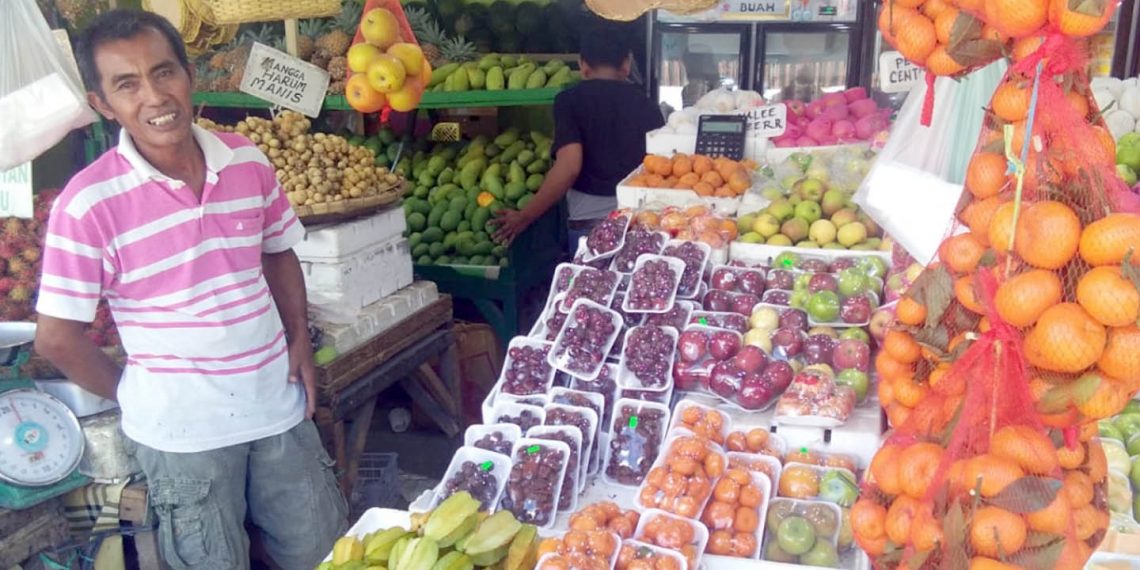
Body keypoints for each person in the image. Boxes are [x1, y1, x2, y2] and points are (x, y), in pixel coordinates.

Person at [33, 10, 346, 569]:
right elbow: (56, 339)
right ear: (103, 104)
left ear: (188, 74)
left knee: (326, 555)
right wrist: (134, 393)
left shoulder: (246, 161)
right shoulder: (87, 204)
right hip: (181, 441)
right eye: (127, 84)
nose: (155, 96)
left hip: (277, 407)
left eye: (163, 72)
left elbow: (278, 250)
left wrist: (299, 336)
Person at [491, 26, 665, 247]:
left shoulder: (569, 101)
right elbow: (660, 167)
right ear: (626, 64)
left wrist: (524, 216)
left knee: (588, 281)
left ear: (583, 65)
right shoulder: (646, 104)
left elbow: (570, 165)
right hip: (639, 220)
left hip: (589, 222)